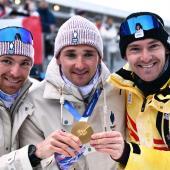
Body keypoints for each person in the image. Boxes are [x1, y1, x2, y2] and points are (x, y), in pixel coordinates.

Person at [17, 15, 125, 170]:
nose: (79, 65)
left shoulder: (120, 91)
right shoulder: (34, 100)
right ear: (58, 58)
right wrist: (55, 164)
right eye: (71, 54)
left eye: (88, 54)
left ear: (99, 57)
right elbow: (30, 164)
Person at [90, 12, 170, 170]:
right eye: (135, 49)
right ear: (125, 56)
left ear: (166, 49)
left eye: (153, 46)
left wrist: (127, 153)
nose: (145, 57)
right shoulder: (120, 86)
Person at [0, 26, 36, 169]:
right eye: (7, 61)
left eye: (24, 63)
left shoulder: (39, 96)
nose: (15, 73)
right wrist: (33, 155)